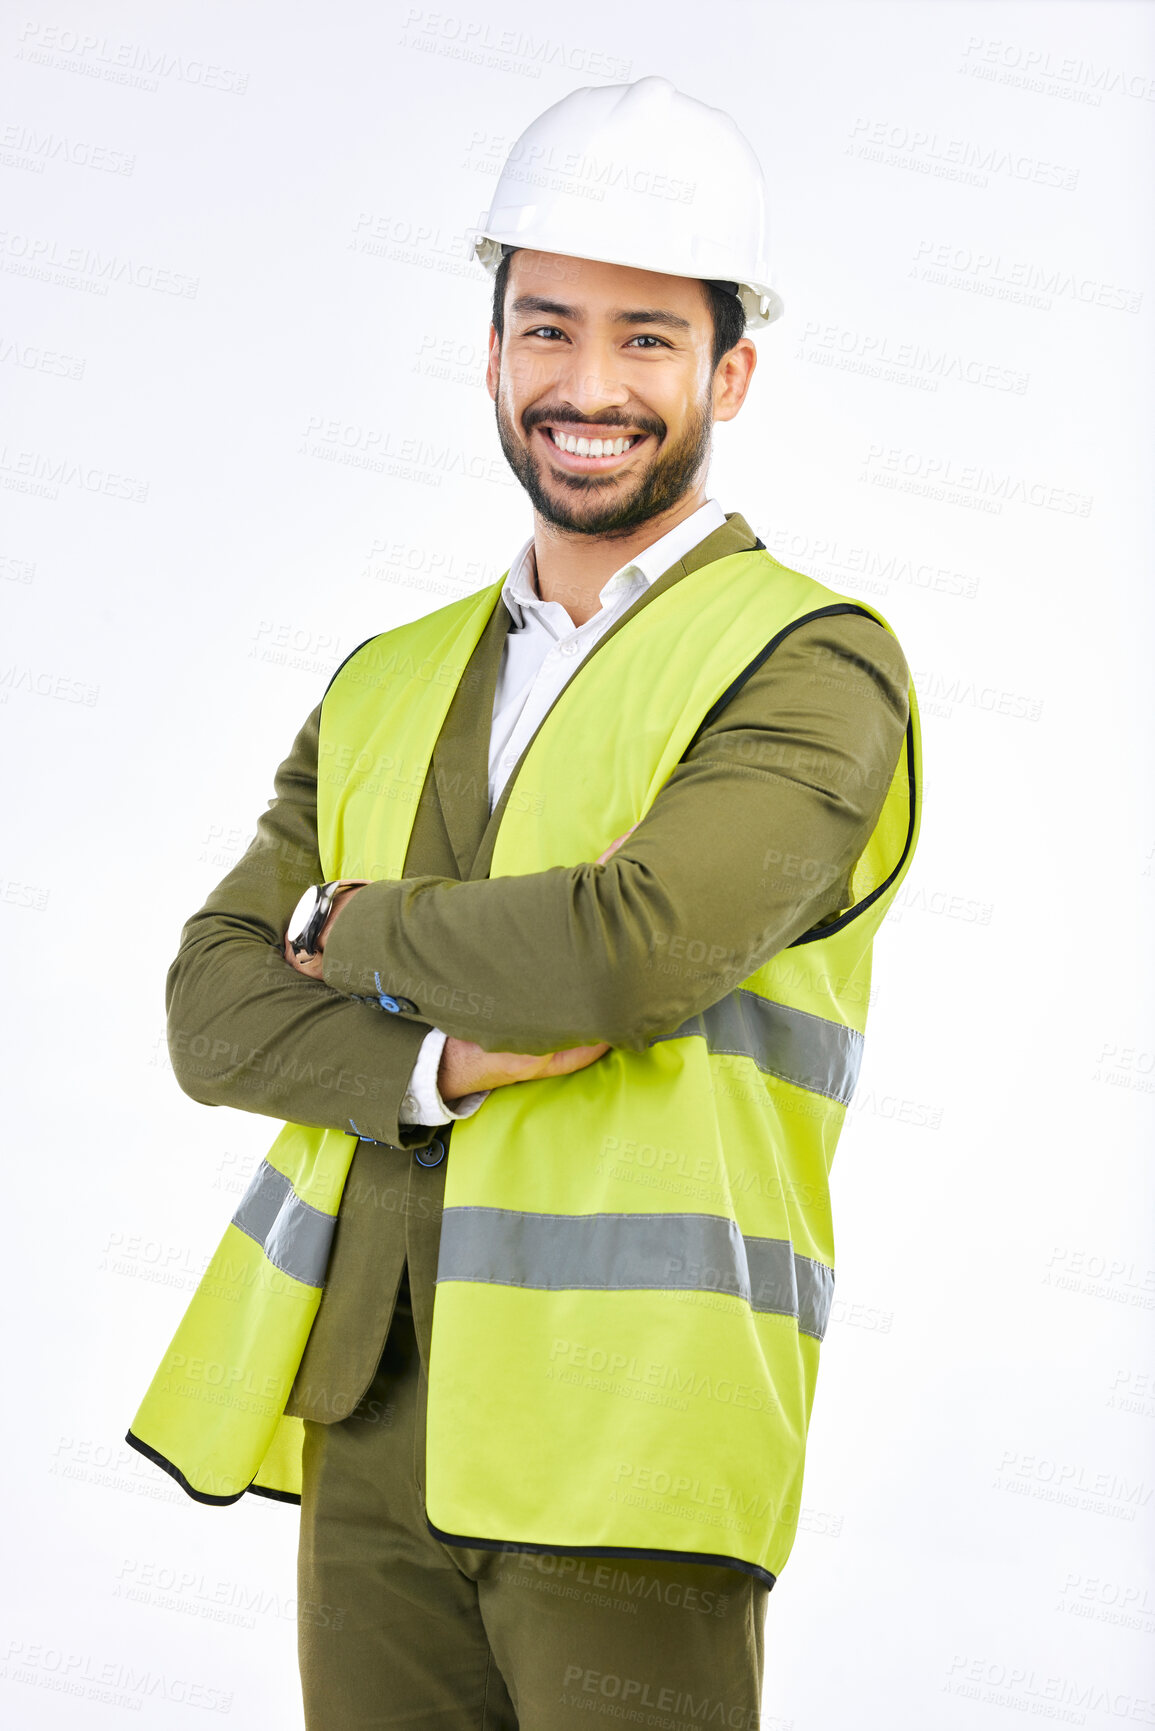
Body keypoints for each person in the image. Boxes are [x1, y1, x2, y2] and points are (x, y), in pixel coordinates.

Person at [128, 75, 921, 1729]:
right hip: (369, 1410)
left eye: (646, 338)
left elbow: (626, 955)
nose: (588, 384)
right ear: (494, 350)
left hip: (636, 1436)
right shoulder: (390, 675)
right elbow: (211, 1007)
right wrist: (439, 1067)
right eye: (548, 327)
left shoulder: (814, 661)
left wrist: (347, 933)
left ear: (732, 371)